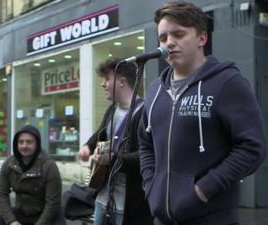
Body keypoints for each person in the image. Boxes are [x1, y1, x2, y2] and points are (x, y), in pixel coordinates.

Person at [138, 1, 267, 225]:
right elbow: (146, 145)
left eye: (178, 34)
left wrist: (202, 190)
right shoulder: (155, 90)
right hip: (162, 219)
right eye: (163, 37)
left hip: (213, 218)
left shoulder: (227, 82)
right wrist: (151, 186)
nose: (169, 43)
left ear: (202, 38)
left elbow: (252, 148)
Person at [78, 58, 152, 225]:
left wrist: (114, 159)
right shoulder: (112, 109)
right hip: (103, 197)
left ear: (121, 82)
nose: (103, 84)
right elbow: (101, 133)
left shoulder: (145, 113)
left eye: (107, 79)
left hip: (128, 203)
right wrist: (87, 148)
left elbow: (147, 155)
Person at [0, 125, 65, 225]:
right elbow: (2, 194)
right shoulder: (9, 164)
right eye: (21, 142)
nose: (24, 146)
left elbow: (53, 203)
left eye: (29, 142)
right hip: (21, 213)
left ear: (37, 144)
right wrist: (11, 221)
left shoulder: (49, 166)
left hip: (47, 216)